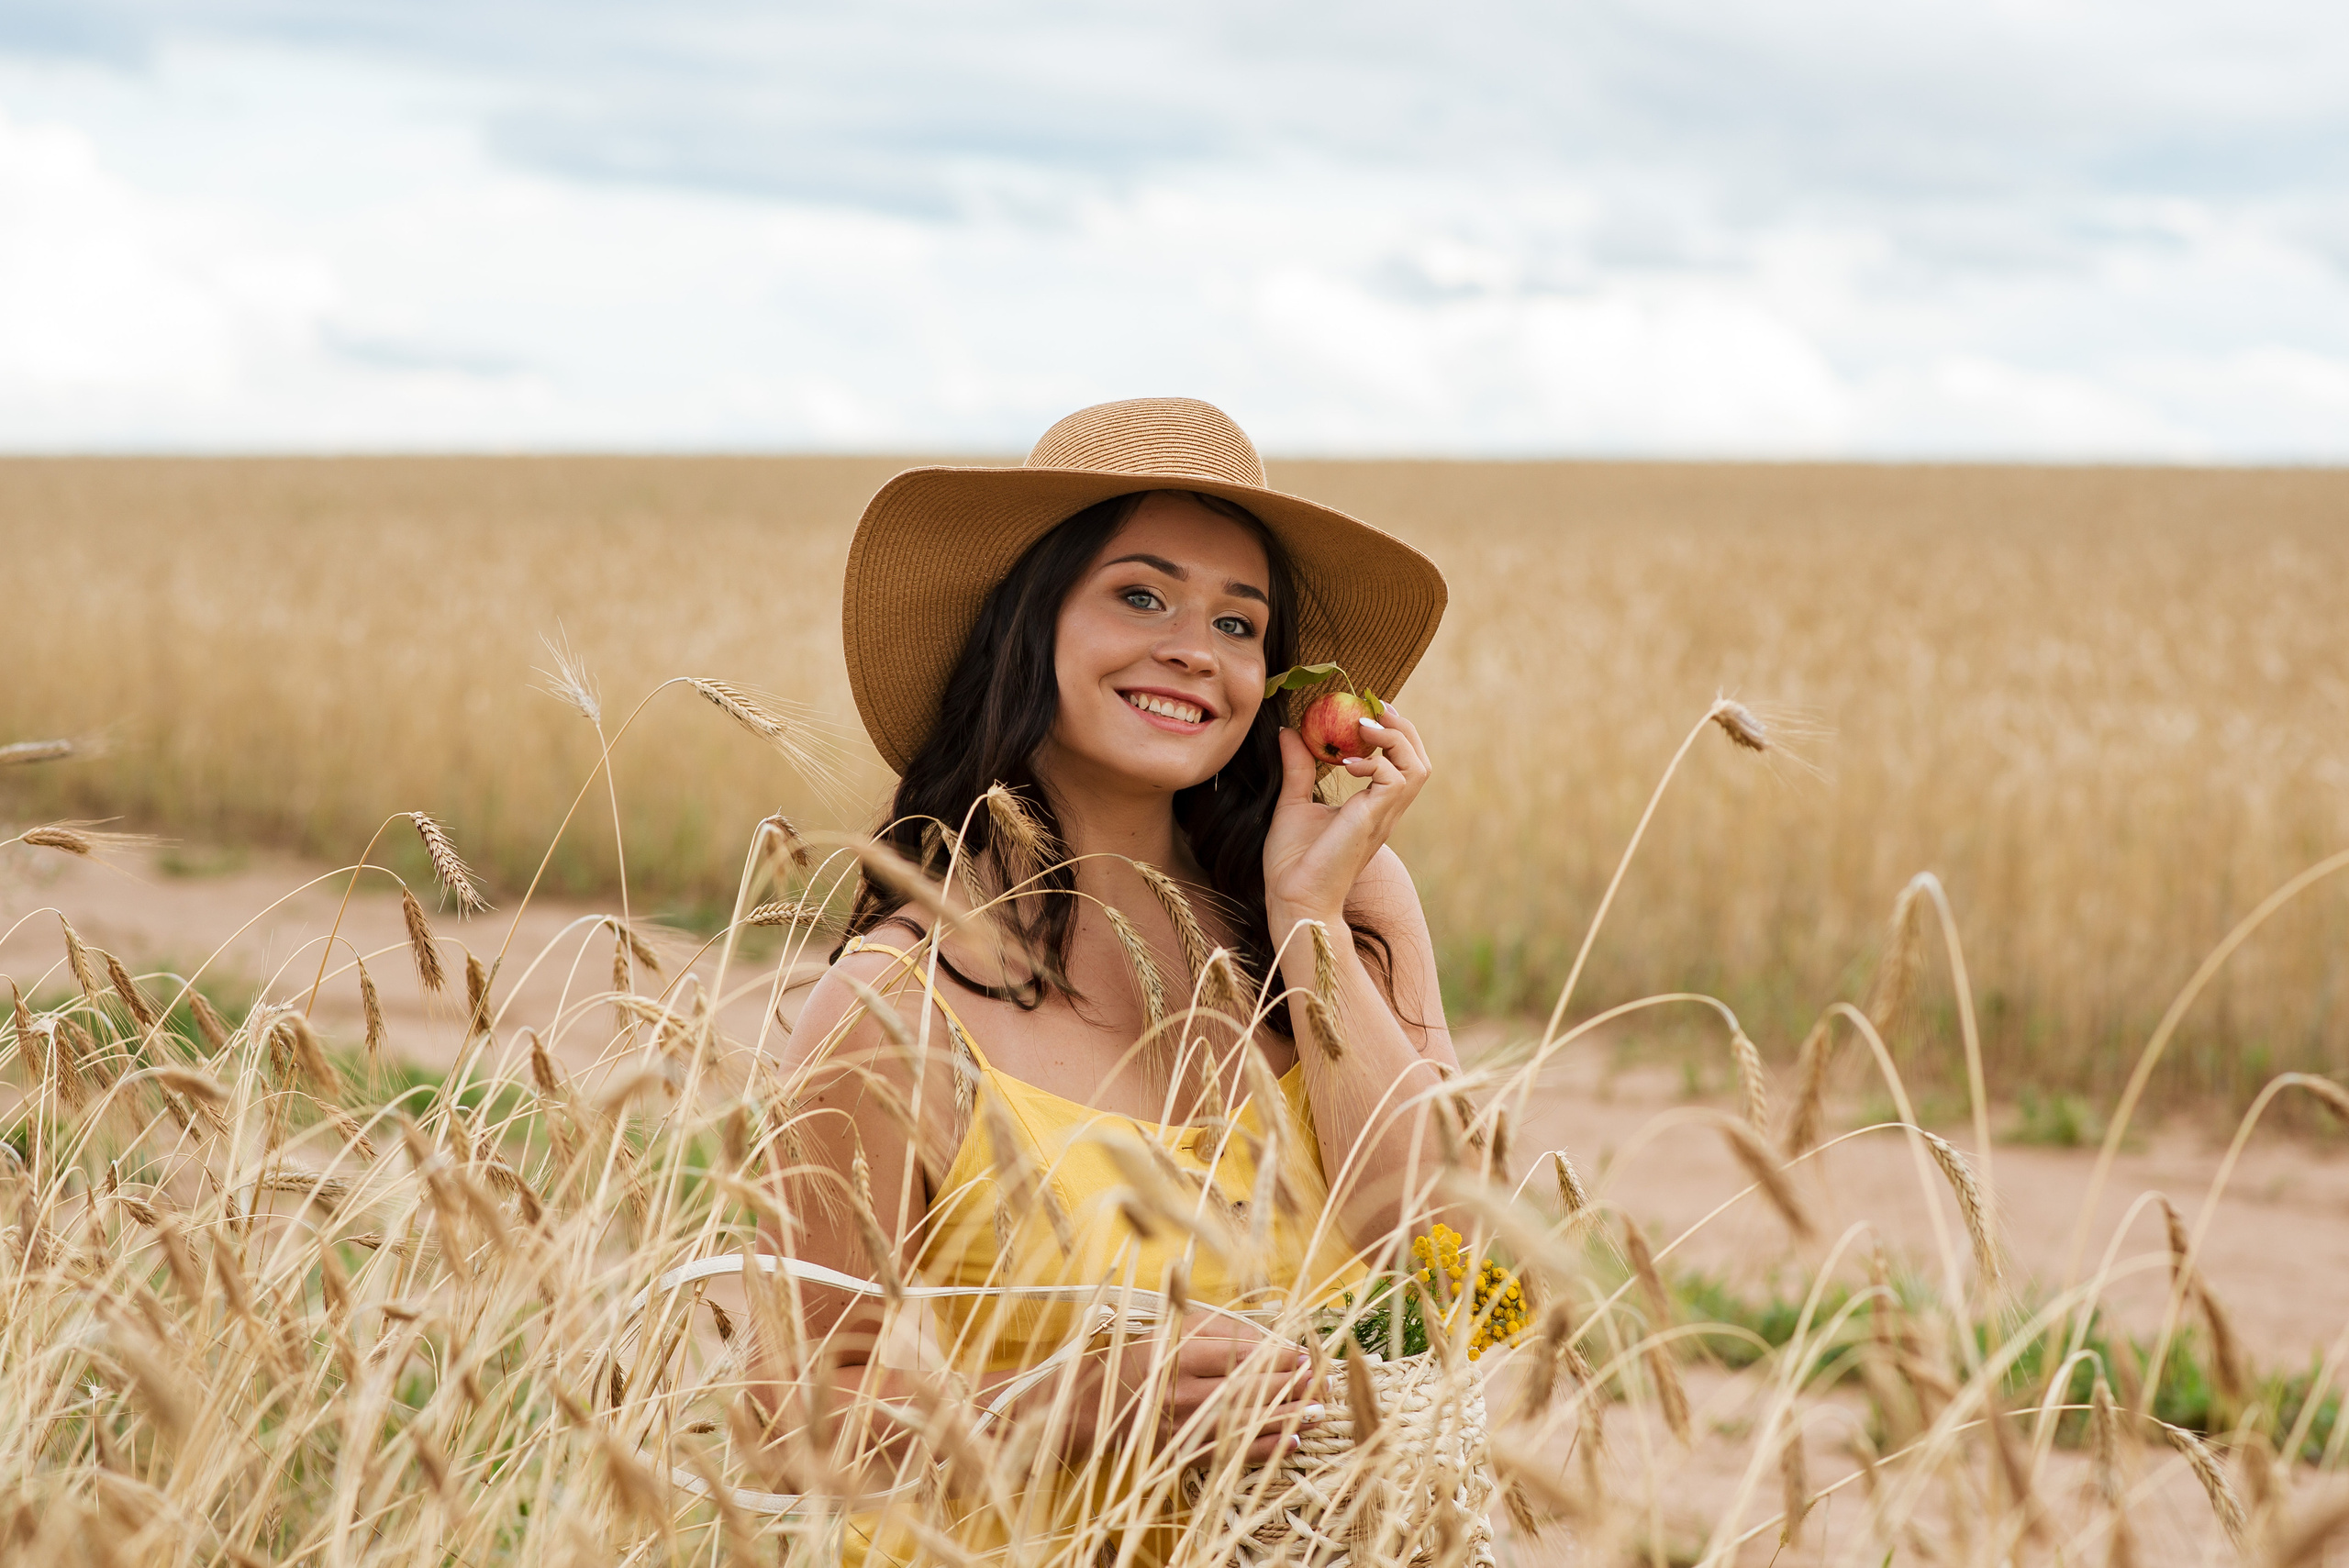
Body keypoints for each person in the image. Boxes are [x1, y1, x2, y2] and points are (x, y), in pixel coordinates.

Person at [774, 396, 1457, 1564]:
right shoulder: (897, 1000)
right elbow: (789, 1409)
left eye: (1239, 624)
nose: (1196, 647)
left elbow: (1443, 1260)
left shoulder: (1351, 903)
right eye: (1139, 594)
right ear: (1024, 627)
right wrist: (1072, 1402)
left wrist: (1306, 917)